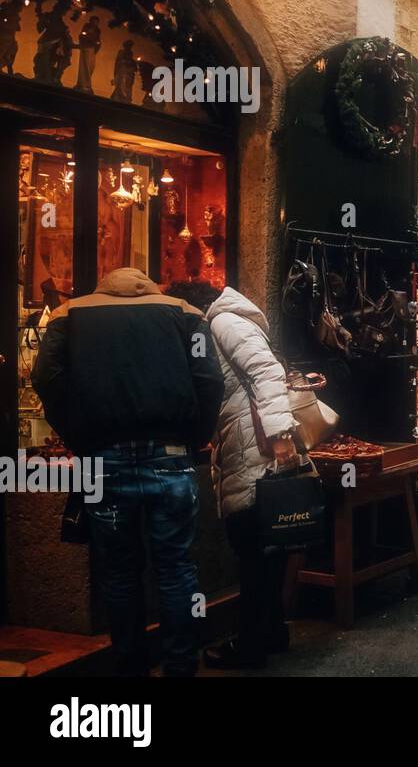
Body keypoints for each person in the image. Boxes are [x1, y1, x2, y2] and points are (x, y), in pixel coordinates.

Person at [31, 268, 224, 677]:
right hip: (170, 456)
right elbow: (209, 379)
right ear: (149, 286)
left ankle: (130, 666)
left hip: (104, 459)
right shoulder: (186, 313)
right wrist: (195, 437)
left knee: (119, 570)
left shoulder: (71, 314)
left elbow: (45, 376)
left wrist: (78, 433)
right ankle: (179, 666)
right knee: (176, 566)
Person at [187, 283, 300, 671]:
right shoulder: (225, 322)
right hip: (248, 441)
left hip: (255, 444)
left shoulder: (221, 322)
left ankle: (252, 644)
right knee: (264, 545)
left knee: (252, 545)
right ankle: (270, 631)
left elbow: (267, 371)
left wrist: (281, 434)